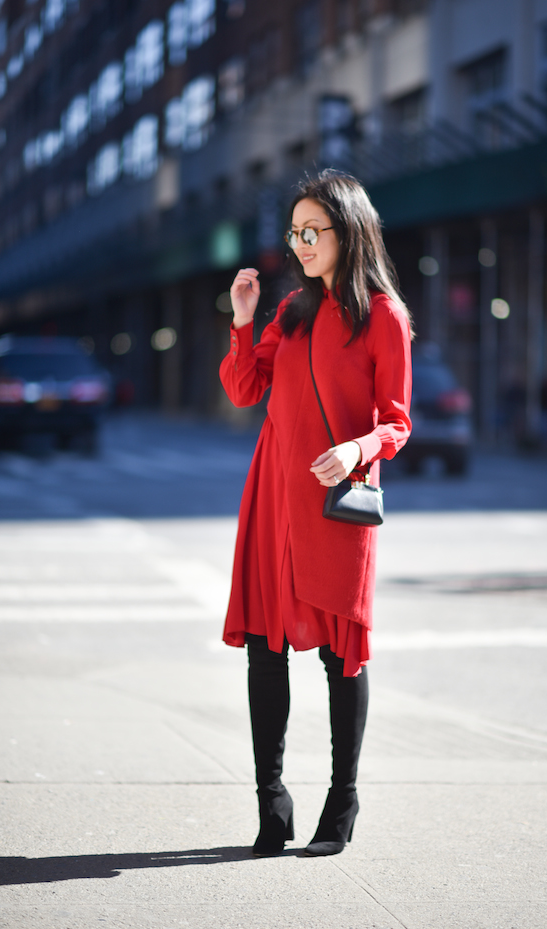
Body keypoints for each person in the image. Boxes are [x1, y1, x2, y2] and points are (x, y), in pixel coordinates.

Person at [220, 170, 412, 857]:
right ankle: (271, 799)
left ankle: (343, 796)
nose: (299, 243)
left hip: (336, 502)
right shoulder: (291, 311)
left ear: (347, 230)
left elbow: (397, 422)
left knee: (341, 656)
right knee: (267, 649)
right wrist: (243, 319)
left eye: (312, 231)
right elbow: (245, 388)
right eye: (294, 232)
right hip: (274, 495)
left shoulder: (382, 315)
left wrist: (358, 446)